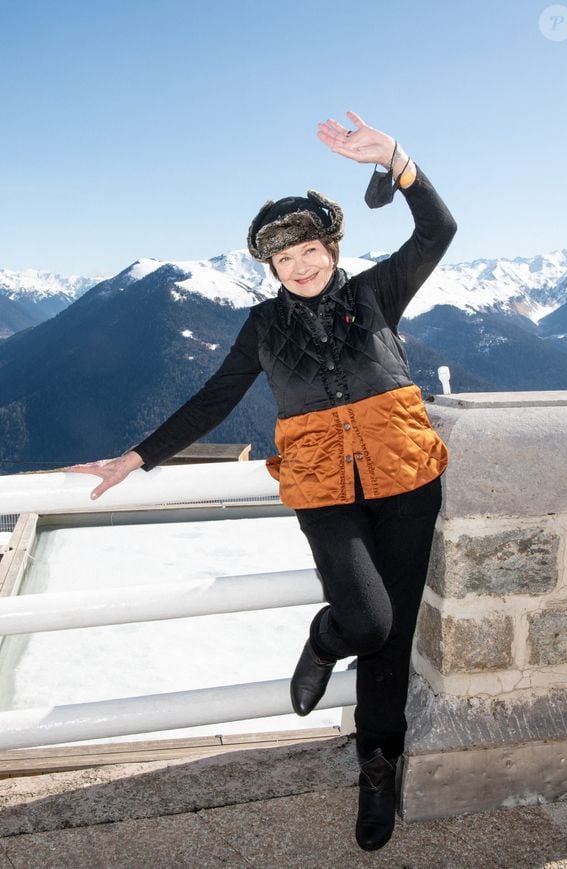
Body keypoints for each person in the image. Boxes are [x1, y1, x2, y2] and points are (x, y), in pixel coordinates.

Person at [69, 111, 457, 852]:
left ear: (331, 248)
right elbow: (213, 398)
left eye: (312, 250)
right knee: (366, 624)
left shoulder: (378, 293)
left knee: (393, 641)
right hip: (323, 492)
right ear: (271, 269)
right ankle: (325, 635)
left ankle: (378, 765)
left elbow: (436, 231)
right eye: (287, 260)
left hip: (407, 481)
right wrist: (136, 456)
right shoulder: (259, 329)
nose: (302, 266)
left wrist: (399, 161)